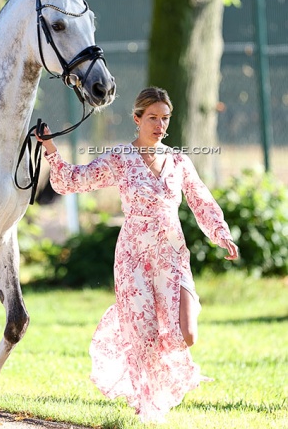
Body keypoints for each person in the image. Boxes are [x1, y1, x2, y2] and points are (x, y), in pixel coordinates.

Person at [34, 86, 238, 424]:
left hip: (172, 255)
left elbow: (201, 200)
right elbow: (74, 181)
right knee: (143, 336)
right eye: (153, 118)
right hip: (133, 258)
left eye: (165, 118)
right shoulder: (120, 158)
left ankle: (156, 374)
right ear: (137, 119)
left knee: (187, 333)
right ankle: (146, 404)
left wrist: (221, 234)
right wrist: (51, 148)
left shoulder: (177, 160)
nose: (160, 125)